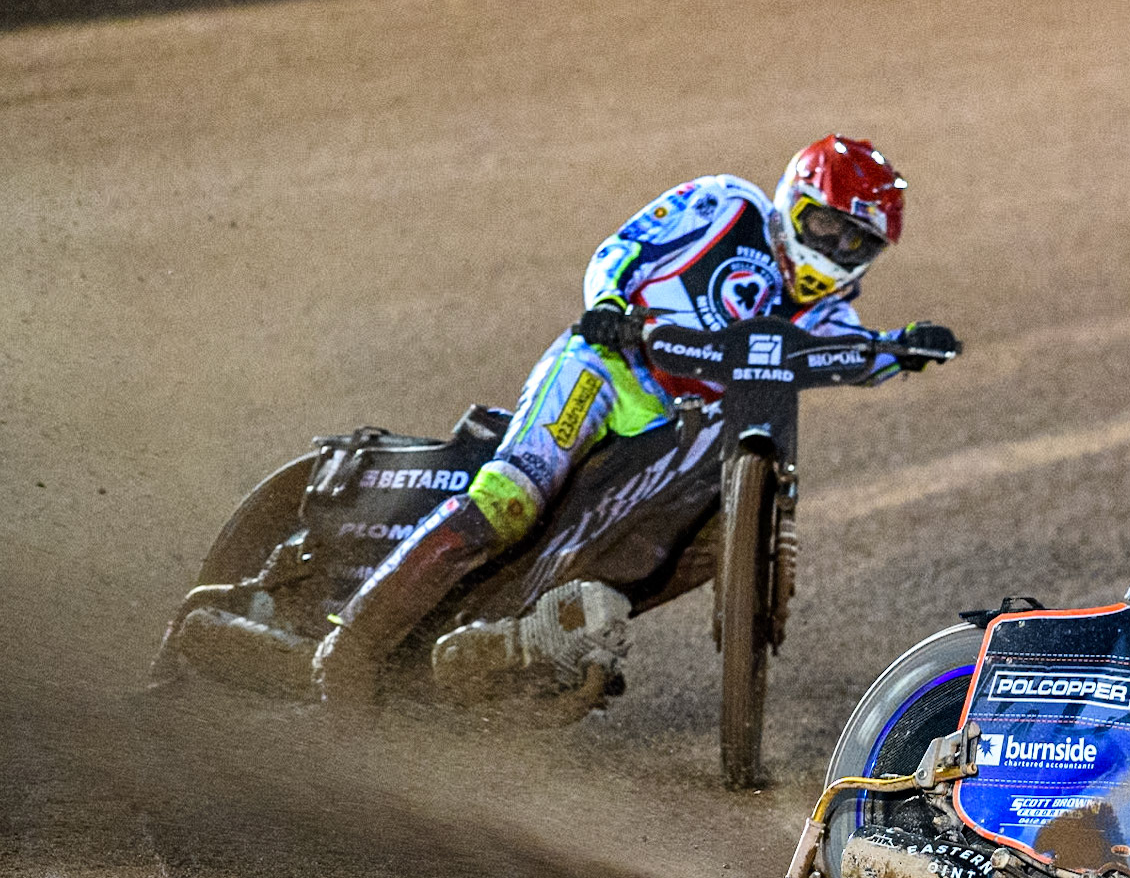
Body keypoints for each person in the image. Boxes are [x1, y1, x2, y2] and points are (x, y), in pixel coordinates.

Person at [314, 134, 959, 702]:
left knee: (712, 545)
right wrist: (610, 302)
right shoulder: (727, 204)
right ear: (793, 201)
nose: (837, 250)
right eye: (826, 228)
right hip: (609, 368)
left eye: (857, 242)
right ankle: (350, 643)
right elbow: (624, 247)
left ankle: (543, 631)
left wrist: (904, 349)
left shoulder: (830, 313)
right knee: (509, 499)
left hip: (684, 426)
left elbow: (847, 357)